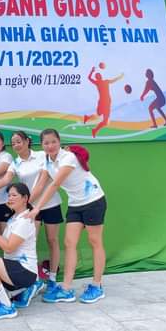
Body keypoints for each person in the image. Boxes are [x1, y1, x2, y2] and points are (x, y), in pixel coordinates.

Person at [0, 131, 63, 303]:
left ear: (27, 141)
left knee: (52, 240)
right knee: (30, 241)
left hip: (49, 203)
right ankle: (34, 281)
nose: (16, 145)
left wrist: (25, 203)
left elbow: (41, 183)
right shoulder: (15, 162)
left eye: (19, 141)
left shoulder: (41, 155)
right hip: (31, 208)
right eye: (13, 143)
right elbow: (6, 180)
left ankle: (53, 279)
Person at [29, 129, 107, 304]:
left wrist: (37, 209)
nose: (50, 146)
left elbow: (55, 184)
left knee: (95, 241)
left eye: (53, 142)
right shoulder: (47, 161)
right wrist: (27, 205)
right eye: (46, 143)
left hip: (93, 199)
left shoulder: (68, 157)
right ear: (42, 145)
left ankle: (97, 285)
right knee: (69, 243)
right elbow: (41, 185)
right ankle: (65, 289)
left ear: (59, 142)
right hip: (75, 204)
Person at [0, 183, 38, 320]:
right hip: (11, 270)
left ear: (25, 198)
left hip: (25, 271)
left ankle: (7, 306)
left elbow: (9, 248)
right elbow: (4, 245)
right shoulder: (13, 218)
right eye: (9, 195)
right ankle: (20, 291)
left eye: (14, 195)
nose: (10, 198)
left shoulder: (25, 219)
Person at [84, 66, 123, 138]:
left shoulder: (102, 82)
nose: (100, 76)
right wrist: (120, 77)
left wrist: (92, 71)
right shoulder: (101, 82)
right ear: (98, 77)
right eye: (98, 75)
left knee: (103, 119)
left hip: (106, 102)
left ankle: (92, 127)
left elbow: (113, 80)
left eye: (99, 75)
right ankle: (89, 121)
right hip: (104, 102)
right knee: (101, 117)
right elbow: (114, 80)